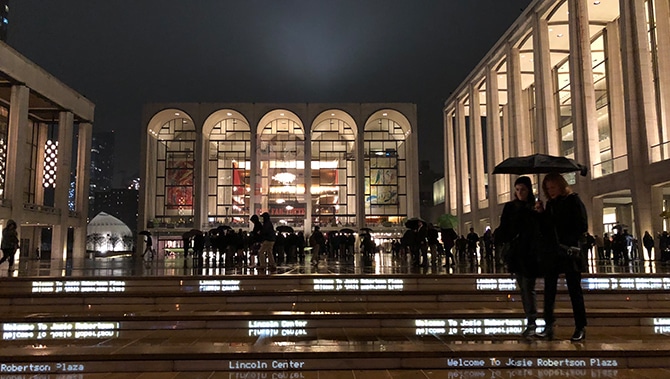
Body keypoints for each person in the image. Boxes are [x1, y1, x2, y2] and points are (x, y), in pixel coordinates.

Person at [535, 173, 588, 342]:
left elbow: (582, 225)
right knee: (549, 290)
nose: (550, 191)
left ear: (561, 185)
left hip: (569, 251)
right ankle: (548, 325)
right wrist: (542, 213)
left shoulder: (573, 200)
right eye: (548, 188)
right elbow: (546, 229)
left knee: (574, 290)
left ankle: (580, 327)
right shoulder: (550, 204)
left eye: (553, 187)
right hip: (553, 252)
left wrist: (562, 223)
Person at [497, 176, 541, 338]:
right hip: (516, 253)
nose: (520, 192)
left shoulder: (534, 207)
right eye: (517, 189)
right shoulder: (510, 207)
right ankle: (530, 319)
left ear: (529, 190)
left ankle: (532, 321)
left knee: (528, 287)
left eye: (523, 189)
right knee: (523, 288)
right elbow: (505, 229)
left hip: (530, 253)